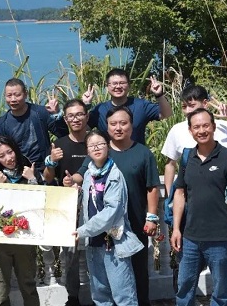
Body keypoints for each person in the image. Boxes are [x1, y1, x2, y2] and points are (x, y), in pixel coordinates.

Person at [161, 84, 227, 299]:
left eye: (206, 126)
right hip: (190, 230)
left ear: (213, 126)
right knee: (184, 286)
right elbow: (178, 186)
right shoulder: (186, 155)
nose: (201, 130)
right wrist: (175, 223)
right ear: (190, 130)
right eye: (196, 127)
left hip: (220, 233)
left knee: (222, 289)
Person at [79, 106, 160, 306]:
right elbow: (82, 176)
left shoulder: (143, 153)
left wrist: (151, 217)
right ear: (107, 127)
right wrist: (69, 181)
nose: (118, 128)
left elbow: (152, 187)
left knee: (137, 272)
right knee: (105, 280)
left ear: (132, 125)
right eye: (113, 124)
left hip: (135, 223)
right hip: (103, 228)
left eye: (123, 123)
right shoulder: (100, 152)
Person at [73, 130, 142, 306]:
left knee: (124, 296)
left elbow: (112, 211)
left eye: (100, 144)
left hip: (113, 243)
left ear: (108, 146)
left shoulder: (114, 175)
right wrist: (78, 192)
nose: (96, 148)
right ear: (87, 151)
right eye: (92, 146)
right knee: (100, 295)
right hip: (93, 243)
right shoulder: (88, 174)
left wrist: (83, 230)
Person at [162, 84, 227, 194]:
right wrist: (168, 196)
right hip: (191, 198)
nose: (188, 111)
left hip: (222, 196)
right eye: (184, 107)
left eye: (192, 105)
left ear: (205, 103)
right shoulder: (177, 130)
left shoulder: (223, 127)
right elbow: (170, 164)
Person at [42, 99, 89, 306]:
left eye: (79, 114)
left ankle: (102, 293)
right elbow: (48, 178)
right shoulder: (59, 144)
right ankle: (73, 297)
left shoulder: (96, 141)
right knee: (70, 254)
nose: (75, 119)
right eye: (71, 115)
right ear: (66, 119)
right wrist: (51, 161)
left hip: (96, 204)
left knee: (99, 250)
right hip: (68, 206)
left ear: (87, 116)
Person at [0, 135, 41, 306]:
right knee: (0, 291)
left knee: (28, 285)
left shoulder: (28, 172)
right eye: (2, 156)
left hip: (24, 240)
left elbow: (41, 204)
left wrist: (32, 180)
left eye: (10, 152)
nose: (8, 158)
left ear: (16, 150)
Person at [0, 78, 68, 177]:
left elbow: (63, 135)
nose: (13, 99)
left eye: (17, 95)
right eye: (9, 96)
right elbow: (0, 152)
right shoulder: (1, 123)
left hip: (45, 169)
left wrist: (56, 115)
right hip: (19, 172)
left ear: (26, 94)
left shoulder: (40, 113)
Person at [82, 68, 172, 145]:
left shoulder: (141, 105)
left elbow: (166, 114)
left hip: (136, 156)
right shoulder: (100, 109)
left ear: (129, 85)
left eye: (122, 83)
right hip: (108, 158)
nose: (118, 86)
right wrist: (86, 106)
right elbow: (83, 129)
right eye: (114, 83)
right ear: (107, 87)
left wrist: (159, 95)